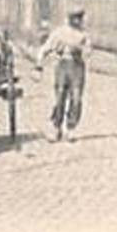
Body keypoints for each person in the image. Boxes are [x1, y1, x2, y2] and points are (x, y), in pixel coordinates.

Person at [36, 8, 90, 142]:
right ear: (69, 19)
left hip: (77, 67)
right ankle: (56, 127)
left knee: (76, 98)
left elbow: (88, 51)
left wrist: (80, 49)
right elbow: (46, 48)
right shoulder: (60, 33)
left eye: (79, 18)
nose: (77, 20)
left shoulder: (83, 35)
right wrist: (39, 64)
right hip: (62, 65)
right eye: (74, 18)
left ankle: (70, 128)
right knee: (60, 96)